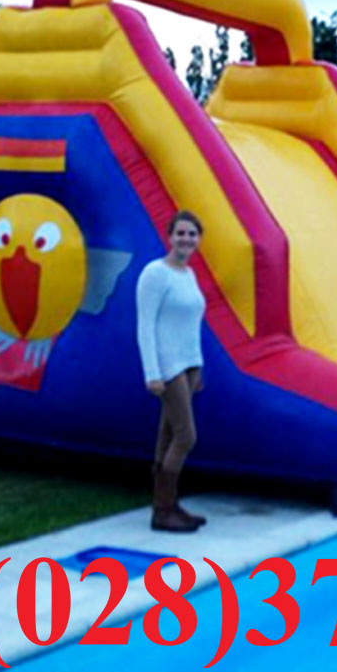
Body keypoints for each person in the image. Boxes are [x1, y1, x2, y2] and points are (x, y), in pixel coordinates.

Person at [136, 210, 208, 532]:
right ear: (169, 237)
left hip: (188, 363)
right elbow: (145, 325)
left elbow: (191, 325)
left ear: (198, 240)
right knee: (185, 436)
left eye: (192, 234)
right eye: (180, 233)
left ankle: (169, 505)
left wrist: (198, 366)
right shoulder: (155, 273)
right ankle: (163, 510)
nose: (186, 239)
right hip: (168, 365)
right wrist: (152, 372)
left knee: (167, 436)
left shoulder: (189, 274)